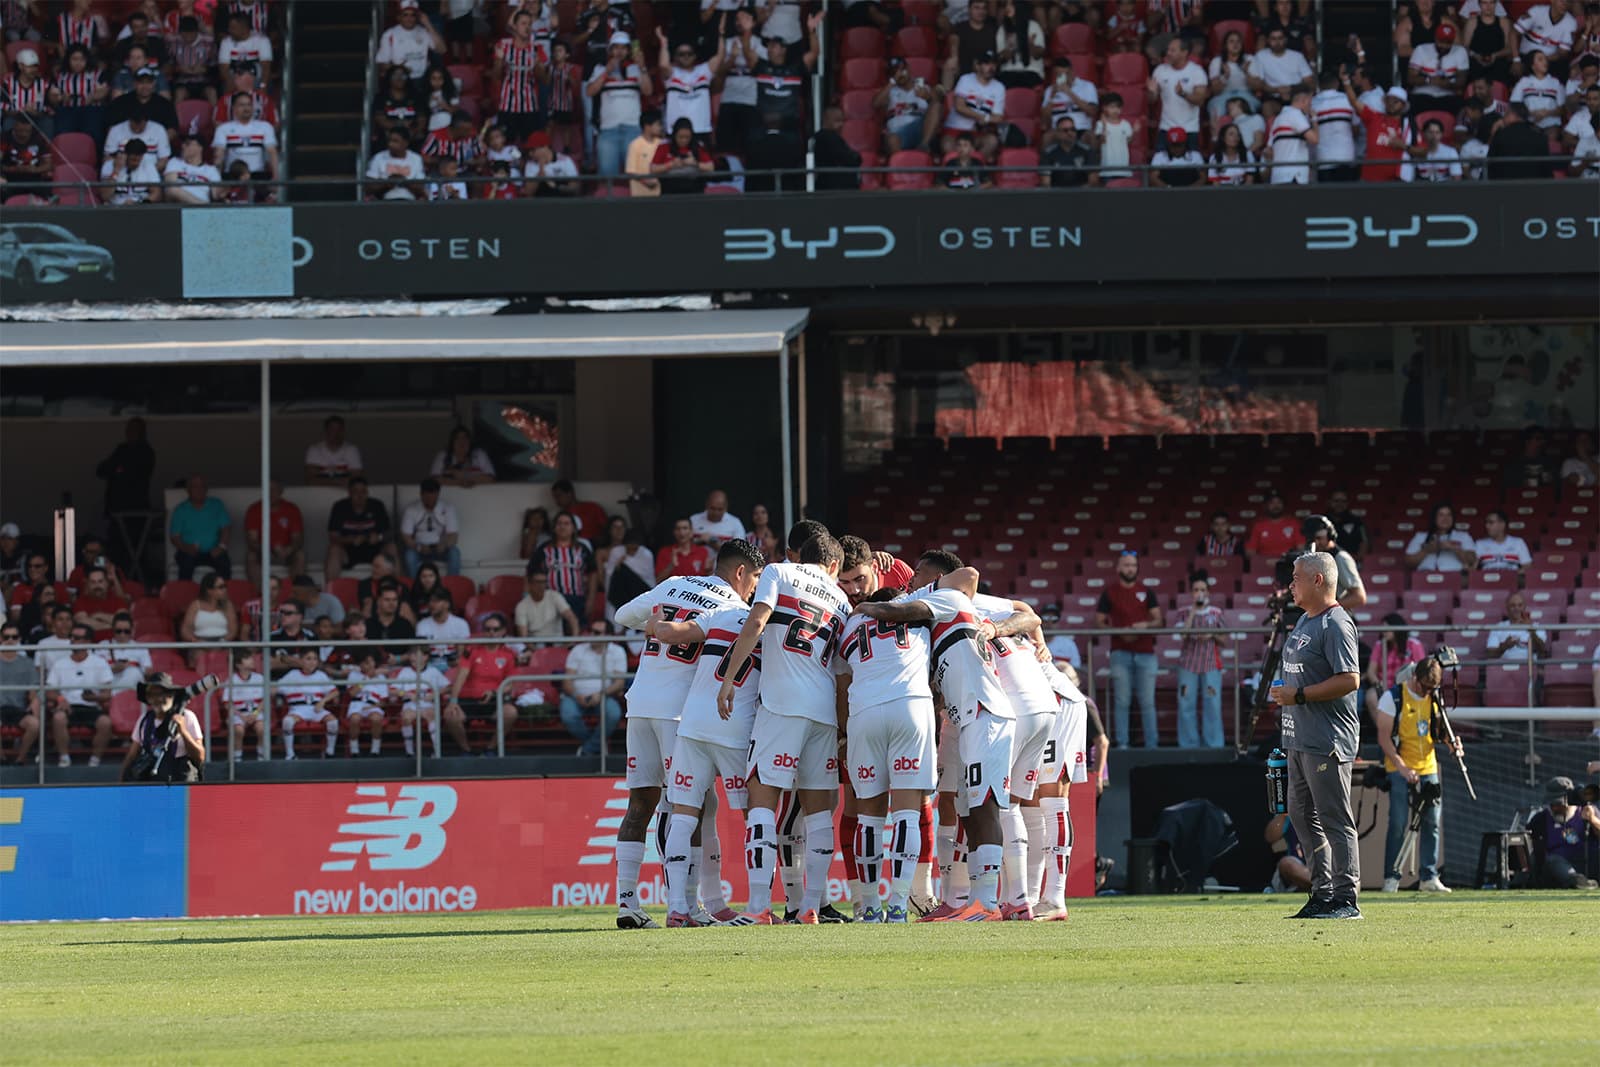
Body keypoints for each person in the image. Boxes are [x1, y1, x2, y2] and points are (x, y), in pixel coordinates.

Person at [608, 538, 759, 929]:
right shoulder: (734, 608)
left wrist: (654, 626)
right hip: (679, 713)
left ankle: (628, 903)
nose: (755, 588)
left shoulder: (675, 583)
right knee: (684, 808)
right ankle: (686, 906)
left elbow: (623, 615)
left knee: (642, 803)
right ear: (740, 572)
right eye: (754, 577)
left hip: (640, 702)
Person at [1269, 552, 1363, 920]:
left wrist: (1300, 695)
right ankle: (1321, 892)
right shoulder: (1304, 622)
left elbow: (1350, 679)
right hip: (1298, 738)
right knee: (1302, 815)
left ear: (1318, 581)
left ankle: (1346, 897)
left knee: (1334, 818)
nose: (1290, 585)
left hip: (1327, 739)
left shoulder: (1336, 624)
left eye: (1296, 578)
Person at [1374, 656, 1456, 892]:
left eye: (1433, 688)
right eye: (1426, 687)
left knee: (1432, 822)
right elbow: (1383, 738)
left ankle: (1429, 876)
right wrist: (1401, 767)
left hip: (1428, 766)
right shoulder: (1393, 698)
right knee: (1398, 822)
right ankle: (1391, 877)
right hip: (1400, 767)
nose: (1428, 691)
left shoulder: (1434, 699)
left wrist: (1453, 745)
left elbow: (1440, 733)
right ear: (1415, 678)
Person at [1095, 550, 1162, 748]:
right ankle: (1122, 745)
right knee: (1122, 701)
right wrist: (1117, 630)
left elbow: (1159, 620)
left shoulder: (1147, 591)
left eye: (1133, 565)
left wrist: (1145, 626)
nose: (1130, 568)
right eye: (1126, 565)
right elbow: (1099, 622)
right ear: (1118, 568)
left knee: (1147, 702)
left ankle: (1152, 745)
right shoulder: (1110, 593)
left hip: (1146, 652)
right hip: (1120, 652)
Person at [120, 672, 217, 783]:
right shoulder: (145, 720)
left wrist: (183, 731)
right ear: (148, 698)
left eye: (165, 694)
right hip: (152, 782)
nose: (159, 699)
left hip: (179, 782)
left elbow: (200, 757)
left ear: (172, 696)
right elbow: (132, 755)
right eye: (153, 695)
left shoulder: (187, 717)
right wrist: (121, 784)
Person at [442, 614, 518, 756]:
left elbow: (510, 684)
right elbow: (461, 676)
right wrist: (453, 700)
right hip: (468, 698)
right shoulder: (472, 650)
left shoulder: (509, 654)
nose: (491, 633)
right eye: (487, 629)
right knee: (450, 714)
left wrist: (494, 692)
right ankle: (466, 750)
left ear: (503, 632)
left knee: (510, 712)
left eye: (496, 629)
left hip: (493, 699)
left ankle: (491, 748)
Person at [46, 625, 116, 768]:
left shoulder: (99, 662)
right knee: (58, 717)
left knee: (106, 723)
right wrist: (60, 699)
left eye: (77, 638)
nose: (72, 640)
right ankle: (64, 758)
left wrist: (93, 698)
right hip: (68, 706)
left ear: (88, 641)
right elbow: (49, 691)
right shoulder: (60, 663)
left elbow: (107, 694)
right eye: (72, 637)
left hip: (91, 706)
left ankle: (94, 761)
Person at [559, 618, 628, 757]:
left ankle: (588, 750)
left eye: (597, 632)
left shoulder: (618, 651)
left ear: (608, 636)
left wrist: (600, 694)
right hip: (575, 696)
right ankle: (597, 745)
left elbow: (619, 683)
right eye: (590, 631)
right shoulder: (578, 650)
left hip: (603, 696)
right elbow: (567, 681)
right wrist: (577, 695)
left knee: (613, 713)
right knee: (568, 714)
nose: (591, 634)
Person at [1173, 574, 1225, 749]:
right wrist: (1193, 613)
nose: (1199, 593)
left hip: (1210, 665)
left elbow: (1225, 639)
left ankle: (1214, 744)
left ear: (1208, 592)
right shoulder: (1183, 612)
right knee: (1186, 703)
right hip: (1188, 665)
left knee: (1212, 704)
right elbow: (1181, 634)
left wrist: (1212, 635)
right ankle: (1188, 744)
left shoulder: (1216, 613)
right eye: (1196, 590)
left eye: (1202, 590)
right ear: (1191, 593)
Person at [1526, 776, 1600, 888]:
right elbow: (1525, 839)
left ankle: (1582, 882)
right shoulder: (1541, 819)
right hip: (1555, 871)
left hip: (1586, 864)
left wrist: (1593, 819)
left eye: (1559, 804)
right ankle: (1577, 882)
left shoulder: (1587, 811)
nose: (1555, 808)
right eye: (1552, 804)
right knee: (1553, 860)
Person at [324, 476, 391, 581]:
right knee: (334, 550)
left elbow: (389, 533)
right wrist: (351, 540)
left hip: (374, 550)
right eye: (356, 492)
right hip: (348, 550)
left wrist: (379, 537)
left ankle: (396, 591)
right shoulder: (340, 507)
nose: (360, 495)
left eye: (363, 492)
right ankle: (330, 593)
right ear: (349, 493)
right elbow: (333, 537)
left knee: (392, 548)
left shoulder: (377, 505)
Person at [278, 647, 338, 760]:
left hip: (316, 708)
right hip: (298, 709)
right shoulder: (292, 674)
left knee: (333, 722)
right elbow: (277, 688)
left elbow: (335, 692)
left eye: (315, 659)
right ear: (301, 661)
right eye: (308, 659)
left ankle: (330, 753)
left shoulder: (321, 675)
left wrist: (323, 701)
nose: (312, 662)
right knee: (287, 722)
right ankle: (290, 755)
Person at [169, 474, 232, 580]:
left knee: (224, 564)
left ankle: (221, 595)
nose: (199, 490)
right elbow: (174, 537)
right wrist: (186, 547)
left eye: (202, 486)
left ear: (206, 489)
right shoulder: (181, 510)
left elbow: (226, 528)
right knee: (185, 564)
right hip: (188, 550)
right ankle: (185, 595)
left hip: (213, 550)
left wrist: (221, 546)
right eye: (195, 486)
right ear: (188, 490)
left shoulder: (216, 505)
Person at [393, 644, 451, 758]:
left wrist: (434, 694)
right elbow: (393, 690)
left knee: (431, 714)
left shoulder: (433, 671)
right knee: (406, 717)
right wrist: (405, 694)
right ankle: (409, 752)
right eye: (411, 654)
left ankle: (437, 751)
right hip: (410, 704)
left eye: (416, 654)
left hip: (428, 703)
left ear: (425, 657)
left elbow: (448, 687)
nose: (412, 657)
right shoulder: (404, 671)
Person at [243, 478, 305, 579]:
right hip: (262, 551)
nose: (270, 493)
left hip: (286, 552)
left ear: (281, 491)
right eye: (267, 489)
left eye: (274, 489)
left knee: (300, 555)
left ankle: (296, 591)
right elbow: (252, 540)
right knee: (251, 556)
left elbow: (297, 539)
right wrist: (267, 549)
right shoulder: (254, 509)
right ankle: (260, 592)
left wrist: (288, 549)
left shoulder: (291, 509)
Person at [400, 478, 462, 577]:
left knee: (455, 552)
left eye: (433, 496)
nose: (429, 500)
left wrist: (444, 544)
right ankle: (415, 588)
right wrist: (418, 547)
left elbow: (453, 535)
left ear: (438, 494)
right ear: (421, 494)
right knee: (409, 555)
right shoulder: (411, 510)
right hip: (420, 549)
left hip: (440, 549)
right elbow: (406, 536)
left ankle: (452, 586)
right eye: (426, 496)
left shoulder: (448, 508)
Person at [1305, 515, 1367, 612]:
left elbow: (1358, 597)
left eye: (1319, 538)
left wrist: (1325, 608)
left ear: (1330, 535)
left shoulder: (1340, 558)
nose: (1316, 543)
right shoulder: (1313, 557)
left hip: (1335, 619)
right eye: (1312, 540)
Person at [1405, 503, 1477, 572]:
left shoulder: (1463, 536)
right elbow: (1408, 563)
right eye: (1441, 515)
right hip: (1425, 579)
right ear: (1434, 517)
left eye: (1449, 515)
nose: (1445, 518)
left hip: (1453, 578)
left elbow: (1471, 560)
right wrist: (1426, 550)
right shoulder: (1420, 536)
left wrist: (1455, 548)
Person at [222, 652, 267, 762]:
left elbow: (265, 700)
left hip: (256, 712)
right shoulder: (231, 680)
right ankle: (237, 758)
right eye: (247, 658)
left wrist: (255, 714)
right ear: (238, 664)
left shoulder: (260, 678)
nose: (252, 660)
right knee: (238, 730)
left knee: (262, 728)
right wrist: (242, 716)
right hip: (238, 714)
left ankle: (262, 756)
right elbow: (227, 703)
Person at [1487, 592, 1550, 662]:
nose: (1516, 608)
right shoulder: (1498, 628)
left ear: (1524, 607)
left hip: (1529, 668)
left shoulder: (1536, 626)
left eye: (1520, 605)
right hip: (1503, 669)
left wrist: (1530, 629)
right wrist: (1504, 646)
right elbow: (1489, 654)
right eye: (1513, 605)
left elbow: (1542, 650)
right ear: (1507, 608)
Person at [515, 571, 579, 639]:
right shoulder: (521, 606)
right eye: (538, 582)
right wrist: (536, 649)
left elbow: (572, 618)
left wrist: (573, 641)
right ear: (530, 584)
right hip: (535, 642)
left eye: (544, 582)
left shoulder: (555, 596)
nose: (541, 585)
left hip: (557, 641)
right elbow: (523, 636)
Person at [180, 574, 237, 644]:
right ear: (209, 590)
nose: (225, 590)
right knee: (200, 654)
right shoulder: (195, 605)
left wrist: (221, 642)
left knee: (220, 654)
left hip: (222, 643)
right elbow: (186, 629)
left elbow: (232, 630)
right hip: (199, 643)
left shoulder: (228, 605)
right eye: (221, 587)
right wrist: (194, 640)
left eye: (225, 586)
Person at [304, 416, 364, 482]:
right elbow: (310, 479)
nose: (336, 433)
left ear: (343, 431)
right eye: (332, 430)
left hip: (343, 492)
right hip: (319, 491)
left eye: (339, 430)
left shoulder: (352, 450)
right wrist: (339, 482)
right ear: (326, 431)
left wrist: (324, 481)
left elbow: (356, 479)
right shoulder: (314, 450)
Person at [1244, 490, 1300, 561]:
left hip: (1288, 566)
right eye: (1272, 503)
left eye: (1279, 502)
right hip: (1264, 565)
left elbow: (1301, 549)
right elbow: (1250, 552)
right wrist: (1261, 562)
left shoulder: (1294, 524)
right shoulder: (1258, 526)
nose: (1275, 506)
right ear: (1266, 505)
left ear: (1283, 504)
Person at [431, 426, 495, 487]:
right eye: (457, 438)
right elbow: (434, 480)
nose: (461, 442)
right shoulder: (443, 455)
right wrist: (459, 483)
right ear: (452, 442)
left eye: (465, 438)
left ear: (470, 441)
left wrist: (465, 476)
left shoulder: (479, 454)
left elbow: (491, 479)